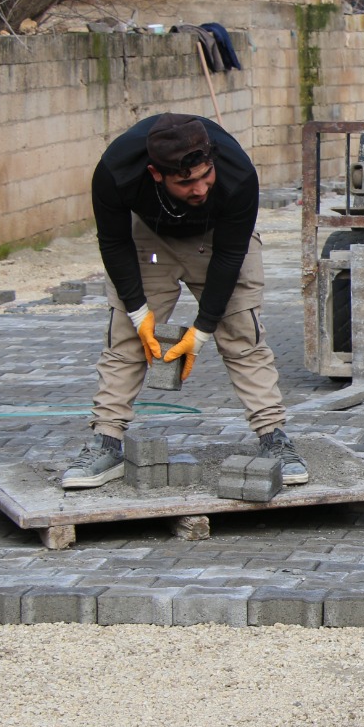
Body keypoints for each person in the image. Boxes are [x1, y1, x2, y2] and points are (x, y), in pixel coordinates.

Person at [61, 113, 308, 489]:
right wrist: (140, 312)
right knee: (127, 338)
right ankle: (106, 441)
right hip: (150, 240)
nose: (200, 189)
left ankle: (274, 438)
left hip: (216, 239)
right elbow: (113, 242)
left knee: (242, 333)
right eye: (186, 182)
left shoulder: (237, 173)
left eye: (206, 175)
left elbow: (229, 258)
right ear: (155, 174)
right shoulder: (115, 170)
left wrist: (202, 330)